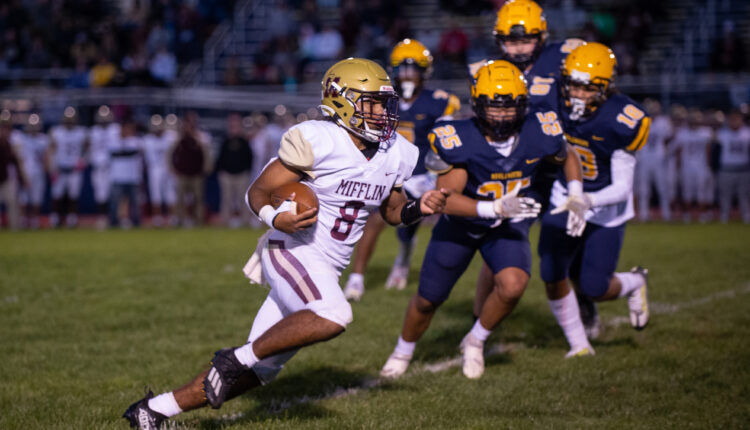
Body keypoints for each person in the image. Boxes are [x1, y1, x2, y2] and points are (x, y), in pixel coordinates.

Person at [122, 58, 448, 429]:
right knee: (333, 314)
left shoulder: (398, 151)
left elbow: (391, 211)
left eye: (383, 103)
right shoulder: (319, 139)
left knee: (263, 371)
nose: (381, 112)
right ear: (342, 101)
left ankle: (153, 411)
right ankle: (234, 357)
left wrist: (417, 208)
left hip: (328, 263)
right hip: (293, 248)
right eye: (371, 102)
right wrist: (277, 218)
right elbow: (258, 190)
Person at [380, 60, 584, 380]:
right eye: (493, 106)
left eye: (510, 106)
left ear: (524, 104)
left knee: (514, 285)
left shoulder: (540, 129)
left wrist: (575, 193)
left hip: (507, 224)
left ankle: (475, 340)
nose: (502, 115)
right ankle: (402, 351)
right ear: (477, 103)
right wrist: (494, 209)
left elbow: (566, 154)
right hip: (461, 226)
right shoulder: (458, 137)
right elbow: (446, 198)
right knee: (428, 299)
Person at [470, 0, 587, 324]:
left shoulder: (564, 57)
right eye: (511, 40)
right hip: (518, 168)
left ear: (542, 35)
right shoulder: (490, 69)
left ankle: (584, 296)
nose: (518, 48)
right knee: (501, 239)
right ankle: (480, 317)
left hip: (563, 161)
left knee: (569, 240)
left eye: (525, 39)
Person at [534, 43, 651, 356]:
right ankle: (579, 343)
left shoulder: (623, 118)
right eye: (572, 84)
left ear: (605, 87)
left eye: (587, 88)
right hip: (564, 193)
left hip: (606, 208)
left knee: (595, 287)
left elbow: (623, 188)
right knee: (550, 268)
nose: (576, 93)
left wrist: (585, 200)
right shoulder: (553, 96)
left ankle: (635, 282)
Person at [343, 38, 461, 301]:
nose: (407, 75)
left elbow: (447, 141)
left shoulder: (439, 102)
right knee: (375, 219)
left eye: (413, 69)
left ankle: (409, 259)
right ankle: (357, 278)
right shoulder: (383, 99)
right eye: (402, 69)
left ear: (424, 72)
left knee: (421, 224)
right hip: (395, 172)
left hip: (428, 173)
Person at [169, 112, 212, 227]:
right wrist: (172, 168)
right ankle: (180, 220)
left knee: (198, 199)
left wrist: (206, 169)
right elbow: (170, 154)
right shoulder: (178, 138)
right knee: (180, 199)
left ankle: (198, 220)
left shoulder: (201, 137)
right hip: (182, 173)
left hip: (196, 173)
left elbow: (206, 154)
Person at [48, 107, 88, 228]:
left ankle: (72, 218)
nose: (70, 122)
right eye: (68, 120)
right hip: (60, 168)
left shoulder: (81, 132)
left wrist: (84, 159)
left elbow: (87, 146)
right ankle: (56, 218)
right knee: (57, 195)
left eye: (72, 120)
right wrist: (52, 167)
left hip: (74, 169)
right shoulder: (56, 131)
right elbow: (51, 149)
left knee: (73, 196)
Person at [672, 108, 714, 223]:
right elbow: (679, 151)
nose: (694, 123)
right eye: (692, 121)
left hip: (701, 165)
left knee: (701, 191)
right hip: (687, 166)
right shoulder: (682, 133)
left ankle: (702, 214)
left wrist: (708, 165)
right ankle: (687, 215)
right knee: (687, 191)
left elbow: (708, 151)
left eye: (696, 121)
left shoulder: (706, 132)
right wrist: (678, 167)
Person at [635, 99, 672, 221]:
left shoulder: (664, 122)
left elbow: (669, 138)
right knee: (644, 188)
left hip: (658, 158)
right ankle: (644, 214)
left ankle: (666, 213)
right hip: (644, 158)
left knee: (662, 187)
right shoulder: (640, 122)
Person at [216, 113, 254, 228]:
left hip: (241, 174)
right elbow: (220, 157)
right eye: (232, 123)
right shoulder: (225, 140)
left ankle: (245, 222)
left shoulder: (244, 141)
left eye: (236, 122)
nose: (234, 125)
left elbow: (250, 157)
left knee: (243, 200)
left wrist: (247, 170)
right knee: (226, 200)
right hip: (227, 175)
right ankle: (225, 221)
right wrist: (221, 171)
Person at [715, 109, 750, 223]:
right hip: (726, 168)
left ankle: (746, 216)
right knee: (725, 195)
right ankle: (724, 216)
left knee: (744, 195)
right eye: (732, 119)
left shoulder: (747, 133)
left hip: (743, 168)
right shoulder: (722, 133)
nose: (734, 121)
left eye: (737, 119)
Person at [143, 114, 178, 227]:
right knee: (156, 193)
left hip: (168, 167)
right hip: (154, 168)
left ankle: (172, 217)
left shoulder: (171, 136)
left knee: (170, 194)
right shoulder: (147, 140)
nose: (157, 131)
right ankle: (157, 218)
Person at [108, 118, 144, 228]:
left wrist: (123, 153)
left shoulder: (136, 141)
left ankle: (136, 223)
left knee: (135, 203)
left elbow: (133, 152)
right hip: (118, 176)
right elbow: (114, 153)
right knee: (115, 202)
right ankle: (114, 222)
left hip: (133, 177)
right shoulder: (113, 141)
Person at [89, 105, 120, 228]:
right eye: (102, 118)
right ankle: (103, 218)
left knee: (115, 194)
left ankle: (115, 218)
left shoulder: (115, 129)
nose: (104, 120)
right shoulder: (93, 131)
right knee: (100, 195)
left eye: (106, 117)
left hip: (113, 167)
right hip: (98, 167)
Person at [16, 114, 49, 229]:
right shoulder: (22, 139)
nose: (33, 128)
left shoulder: (43, 139)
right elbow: (20, 158)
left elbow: (45, 157)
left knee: (36, 197)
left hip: (38, 172)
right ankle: (24, 219)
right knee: (24, 197)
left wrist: (46, 169)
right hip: (26, 170)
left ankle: (35, 220)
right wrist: (22, 173)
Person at [0, 116, 26, 230]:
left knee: (13, 202)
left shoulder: (16, 138)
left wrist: (22, 176)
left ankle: (15, 227)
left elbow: (18, 159)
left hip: (8, 176)